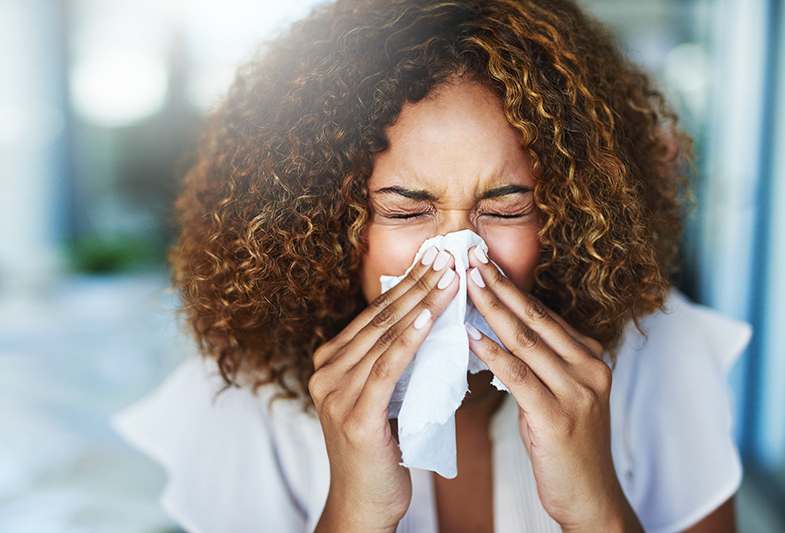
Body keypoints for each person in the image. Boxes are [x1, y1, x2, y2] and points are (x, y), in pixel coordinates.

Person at [114, 0, 751, 531]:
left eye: (504, 209)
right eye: (406, 211)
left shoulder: (660, 358)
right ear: (325, 224)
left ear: (568, 217)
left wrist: (595, 511)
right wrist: (355, 513)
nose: (457, 258)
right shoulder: (244, 403)